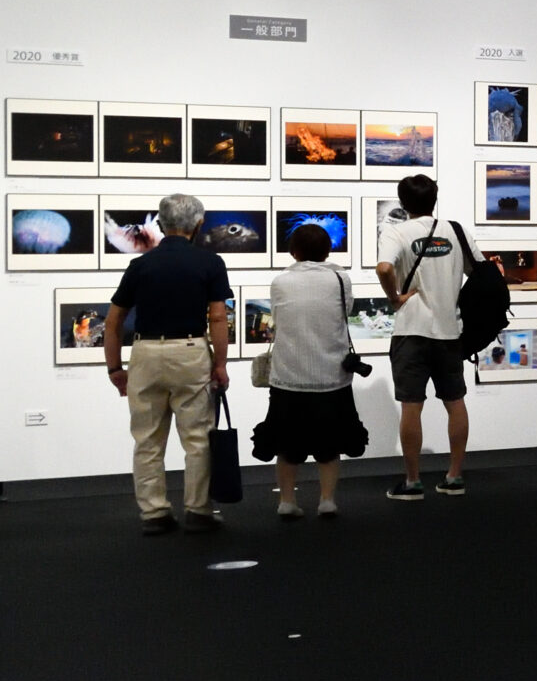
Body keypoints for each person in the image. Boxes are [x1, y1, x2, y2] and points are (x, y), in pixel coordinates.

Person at [104, 194, 231, 534]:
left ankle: (155, 513)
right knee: (198, 438)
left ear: (160, 224)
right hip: (190, 351)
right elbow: (218, 318)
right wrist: (220, 364)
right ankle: (198, 510)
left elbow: (114, 321)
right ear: (199, 224)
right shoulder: (210, 263)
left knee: (147, 439)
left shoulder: (140, 265)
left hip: (146, 352)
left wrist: (114, 368)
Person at [378, 174, 482, 500]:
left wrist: (394, 297)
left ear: (403, 202)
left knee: (412, 405)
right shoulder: (456, 231)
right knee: (455, 402)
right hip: (449, 331)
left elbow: (384, 268)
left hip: (412, 330)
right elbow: (480, 272)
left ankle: (412, 482)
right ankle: (454, 477)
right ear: (434, 199)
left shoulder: (396, 231)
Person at [261, 221, 365, 518]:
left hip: (288, 375)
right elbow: (345, 312)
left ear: (293, 251)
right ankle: (327, 500)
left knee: (287, 445)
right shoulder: (340, 279)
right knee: (329, 444)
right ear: (327, 250)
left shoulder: (280, 282)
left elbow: (278, 317)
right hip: (331, 375)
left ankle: (286, 501)